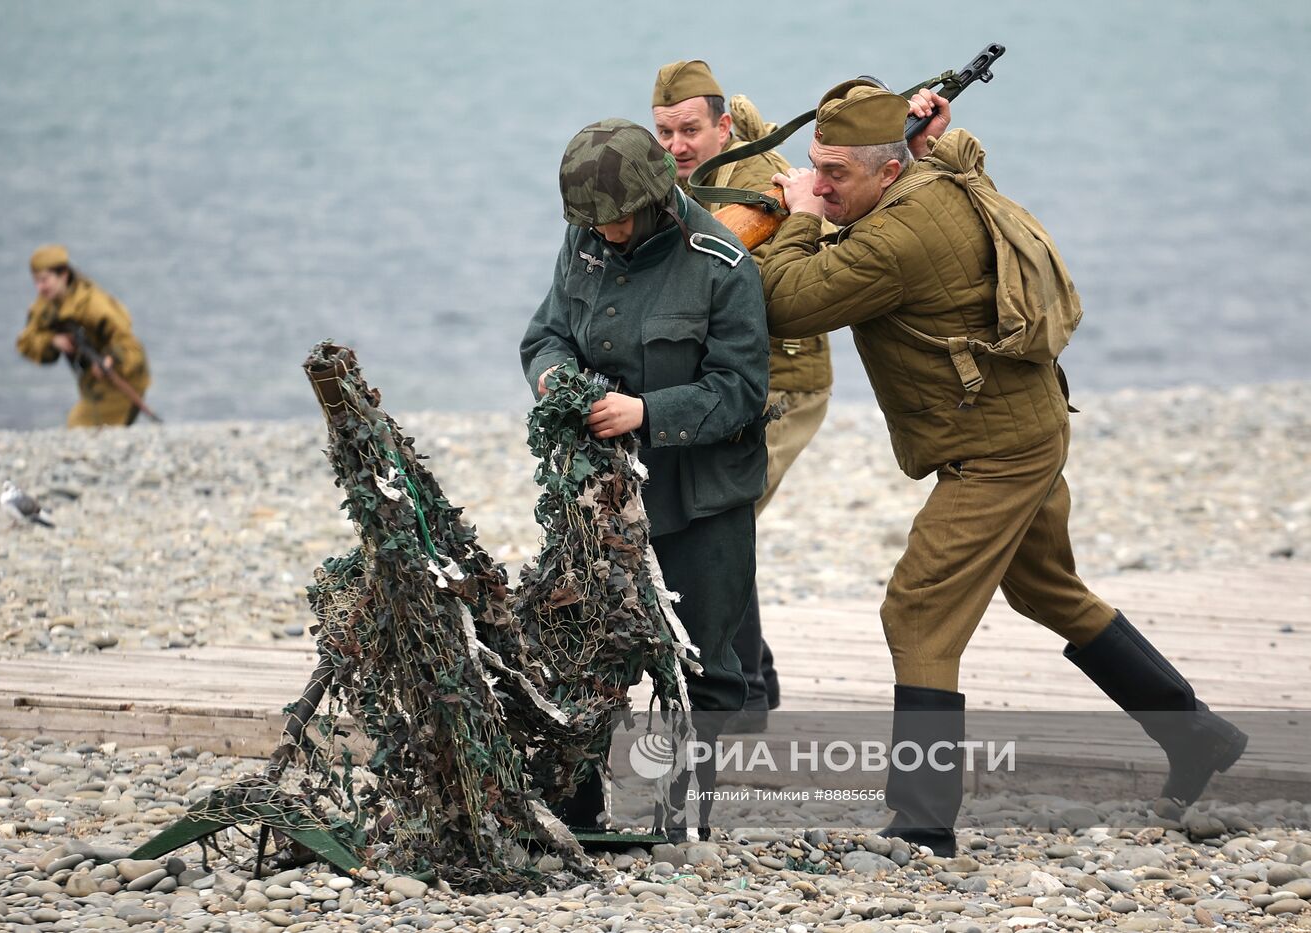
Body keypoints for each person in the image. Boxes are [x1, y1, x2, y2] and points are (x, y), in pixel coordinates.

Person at [759, 82, 1247, 855]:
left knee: (916, 610)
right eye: (815, 167)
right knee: (1047, 587)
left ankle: (922, 822)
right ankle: (1196, 735)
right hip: (1027, 422)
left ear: (887, 174)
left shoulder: (896, 238)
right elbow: (950, 149)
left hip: (997, 450)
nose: (820, 183)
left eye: (837, 174)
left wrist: (798, 219)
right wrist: (919, 131)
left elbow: (782, 301)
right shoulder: (929, 173)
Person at [650, 60, 949, 721]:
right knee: (717, 521)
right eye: (665, 132)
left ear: (724, 125)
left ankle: (748, 690)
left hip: (784, 380)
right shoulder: (695, 182)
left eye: (690, 130)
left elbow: (774, 287)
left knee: (717, 522)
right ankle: (756, 682)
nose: (677, 146)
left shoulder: (759, 182)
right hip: (731, 382)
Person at [520, 118, 769, 836]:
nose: (605, 233)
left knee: (708, 664)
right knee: (581, 643)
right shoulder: (587, 237)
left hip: (700, 497)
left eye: (616, 219)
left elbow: (740, 391)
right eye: (591, 222)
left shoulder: (720, 263)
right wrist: (554, 377)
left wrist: (645, 411)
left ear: (656, 197)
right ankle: (577, 808)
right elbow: (545, 335)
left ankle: (684, 814)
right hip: (601, 494)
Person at [15, 244, 151, 427]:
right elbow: (25, 343)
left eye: (44, 280)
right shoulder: (46, 306)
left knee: (79, 428)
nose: (39, 288)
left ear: (63, 275)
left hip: (122, 381)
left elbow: (129, 343)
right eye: (36, 281)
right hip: (91, 384)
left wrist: (111, 359)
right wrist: (53, 341)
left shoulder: (93, 303)